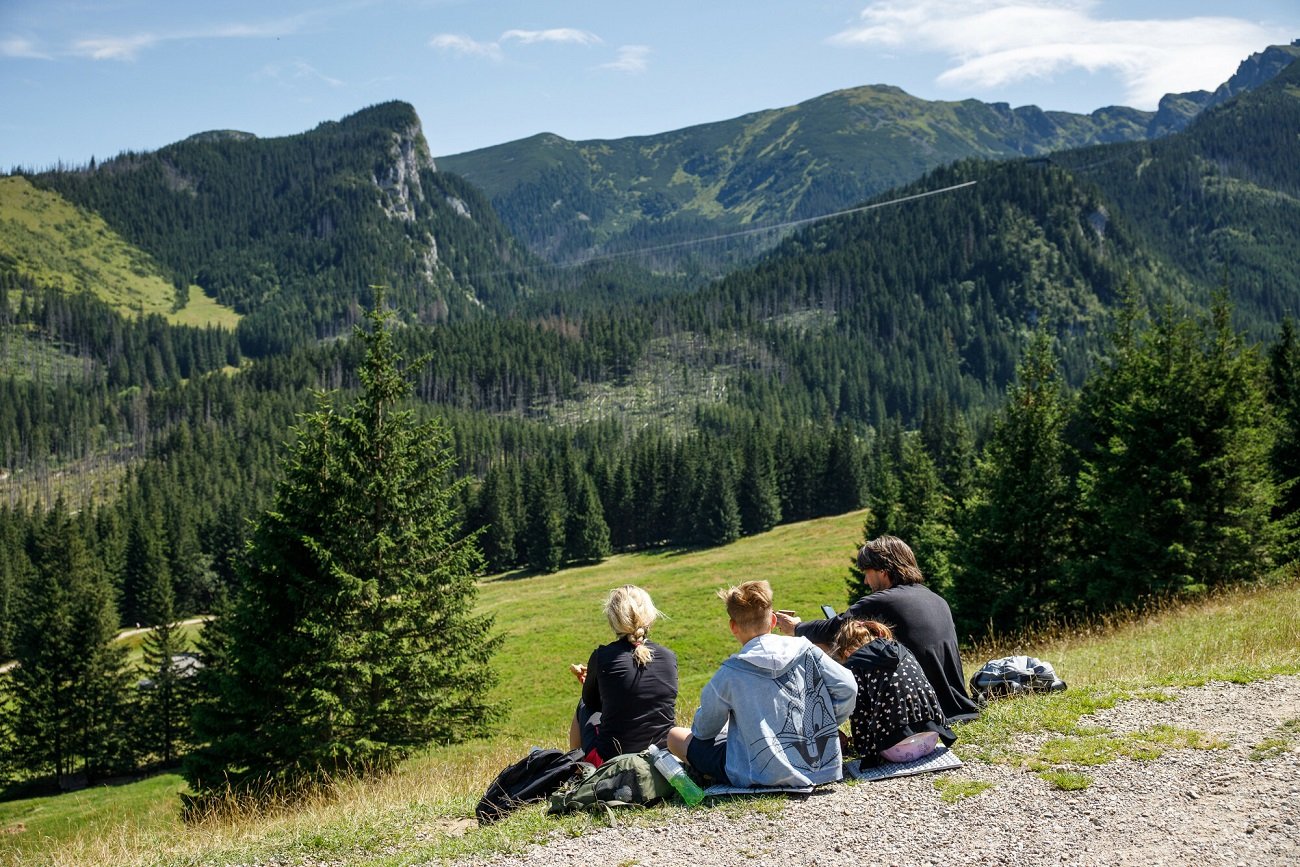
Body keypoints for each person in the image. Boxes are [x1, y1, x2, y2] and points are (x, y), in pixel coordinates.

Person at [666, 580, 857, 787]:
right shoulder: (806, 649)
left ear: (733, 626)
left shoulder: (731, 671)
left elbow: (704, 731)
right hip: (819, 767)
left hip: (756, 773)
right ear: (773, 620)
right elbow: (848, 688)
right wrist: (823, 724)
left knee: (675, 736)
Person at [775, 535, 980, 723]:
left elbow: (832, 627)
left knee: (823, 646)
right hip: (956, 705)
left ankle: (820, 725)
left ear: (883, 570)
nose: (865, 581)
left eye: (867, 573)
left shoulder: (883, 601)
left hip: (924, 712)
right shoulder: (936, 598)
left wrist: (796, 627)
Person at [568, 585, 678, 767]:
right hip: (663, 756)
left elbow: (592, 703)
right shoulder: (668, 656)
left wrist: (596, 682)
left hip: (612, 761)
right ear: (650, 616)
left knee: (582, 706)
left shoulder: (602, 657)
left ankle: (577, 770)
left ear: (613, 619)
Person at [831, 618, 955, 766]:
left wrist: (864, 749)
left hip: (897, 751)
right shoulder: (902, 650)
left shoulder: (856, 664)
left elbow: (860, 714)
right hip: (932, 739)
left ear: (847, 651)